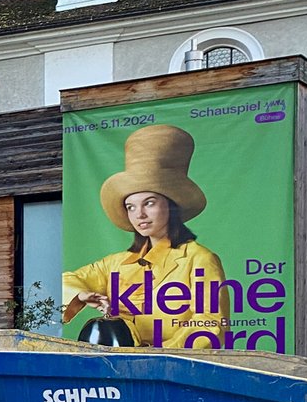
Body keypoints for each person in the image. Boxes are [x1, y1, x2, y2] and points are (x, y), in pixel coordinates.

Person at [62, 124, 228, 348]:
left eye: (149, 203)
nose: (139, 214)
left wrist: (153, 358)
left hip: (173, 372)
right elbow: (65, 281)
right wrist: (81, 295)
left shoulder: (199, 259)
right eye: (130, 207)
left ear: (171, 205)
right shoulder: (116, 264)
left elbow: (210, 323)